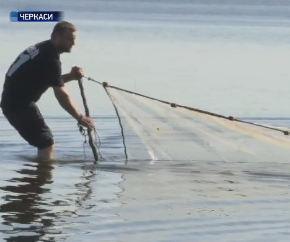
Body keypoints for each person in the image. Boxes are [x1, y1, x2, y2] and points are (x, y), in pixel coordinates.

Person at [0, 21, 95, 161]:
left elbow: (47, 79)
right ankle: (41, 177)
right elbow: (61, 95)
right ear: (56, 36)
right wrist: (80, 117)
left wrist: (71, 76)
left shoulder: (42, 49)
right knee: (46, 143)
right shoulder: (50, 58)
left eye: (74, 40)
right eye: (69, 39)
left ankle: (37, 175)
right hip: (18, 105)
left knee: (44, 141)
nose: (73, 43)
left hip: (13, 102)